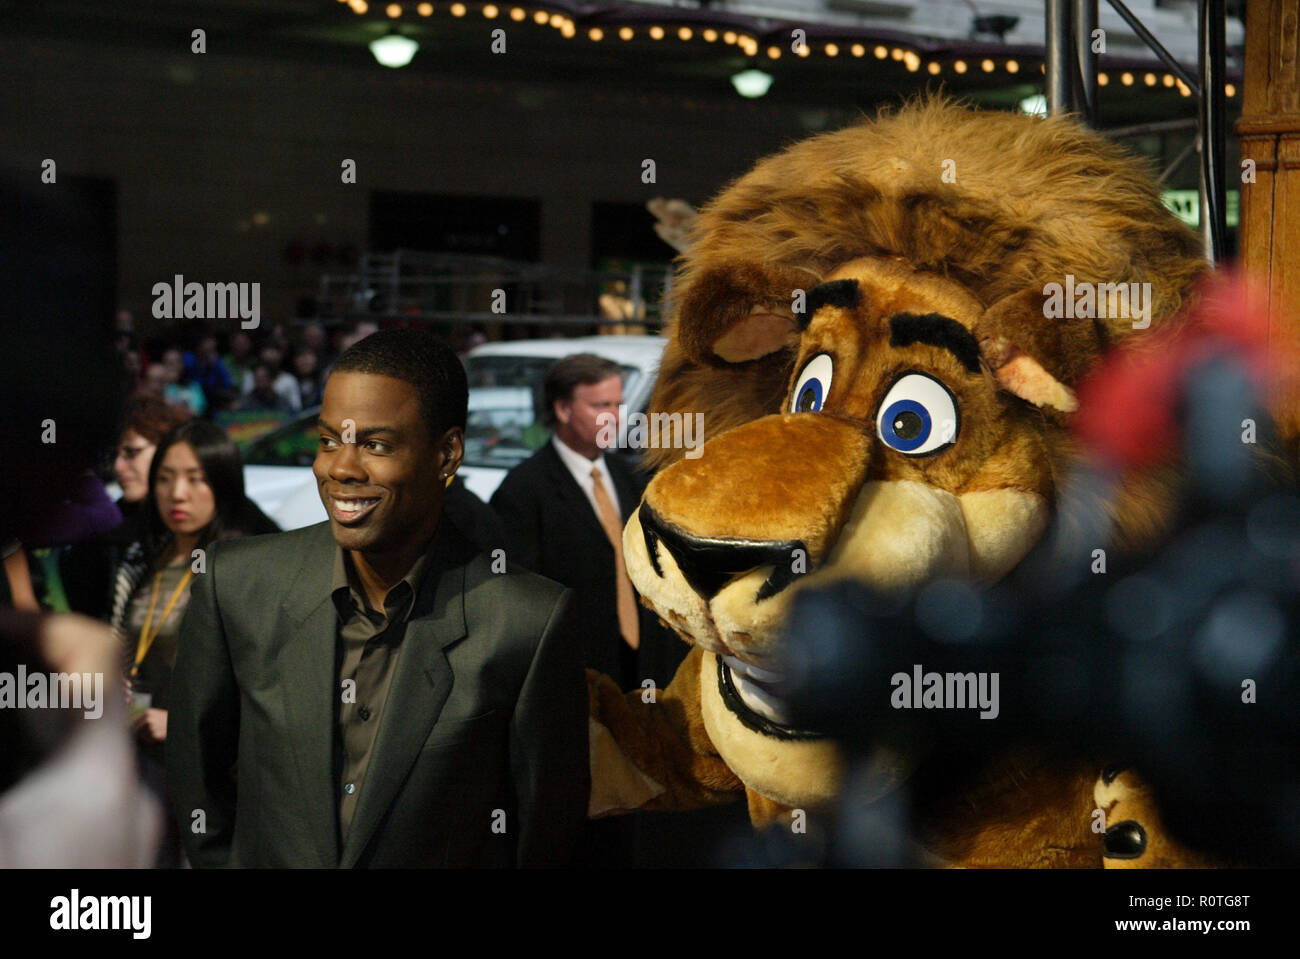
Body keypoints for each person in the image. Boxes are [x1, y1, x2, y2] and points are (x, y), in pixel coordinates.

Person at [167, 329, 589, 867]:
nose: (340, 467)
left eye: (375, 445)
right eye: (327, 440)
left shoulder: (526, 621)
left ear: (446, 454)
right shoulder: (239, 585)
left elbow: (544, 836)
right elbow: (197, 782)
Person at [109, 419, 278, 867]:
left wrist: (182, 722)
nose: (176, 494)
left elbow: (269, 681)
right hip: (140, 760)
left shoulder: (250, 562)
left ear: (223, 482)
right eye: (164, 478)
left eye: (194, 479)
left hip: (212, 775)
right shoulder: (145, 554)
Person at [59, 395, 192, 620]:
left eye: (132, 453)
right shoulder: (106, 530)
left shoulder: (202, 522)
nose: (118, 466)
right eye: (114, 455)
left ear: (169, 449)